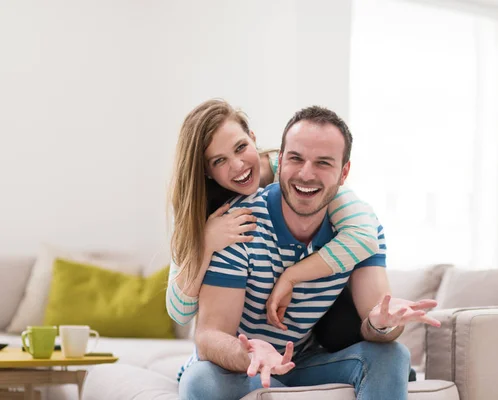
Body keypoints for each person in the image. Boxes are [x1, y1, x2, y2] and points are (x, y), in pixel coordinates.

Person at [177, 105, 441, 400]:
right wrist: (249, 353)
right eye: (296, 158)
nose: (306, 174)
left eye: (323, 163)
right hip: (245, 368)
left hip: (302, 363)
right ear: (279, 161)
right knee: (200, 381)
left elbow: (376, 325)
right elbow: (209, 335)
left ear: (344, 173)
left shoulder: (360, 232)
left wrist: (382, 325)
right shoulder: (238, 227)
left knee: (392, 354)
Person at [166, 99, 380, 331]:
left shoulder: (296, 173)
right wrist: (206, 244)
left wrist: (291, 276)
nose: (238, 165)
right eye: (219, 160)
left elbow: (365, 237)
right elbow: (180, 311)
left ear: (253, 138)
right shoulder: (199, 208)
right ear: (206, 170)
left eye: (240, 147)